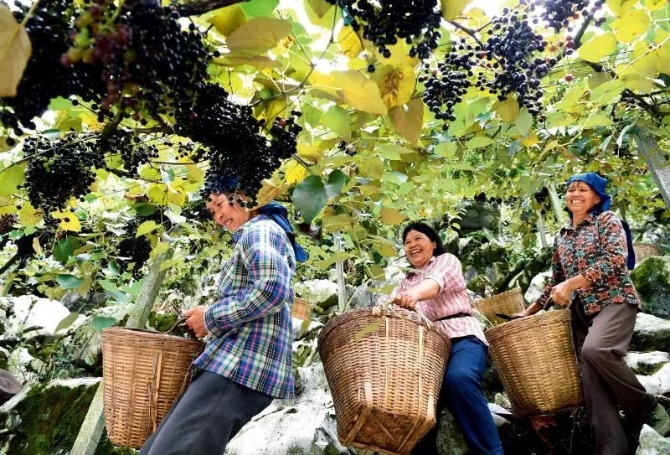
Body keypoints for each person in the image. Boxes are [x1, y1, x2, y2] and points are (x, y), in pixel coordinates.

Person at [140, 176, 308, 455]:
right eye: (212, 212)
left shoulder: (260, 230)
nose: (218, 217)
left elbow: (271, 290)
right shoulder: (257, 232)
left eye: (219, 205)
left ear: (244, 196)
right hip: (234, 366)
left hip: (240, 367)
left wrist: (209, 317)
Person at [514, 172, 669, 454]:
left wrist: (572, 283)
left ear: (597, 197)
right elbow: (556, 279)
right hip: (581, 312)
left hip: (614, 300)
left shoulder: (606, 221)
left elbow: (616, 259)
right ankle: (610, 448)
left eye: (583, 189)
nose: (575, 194)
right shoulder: (561, 236)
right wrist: (529, 311)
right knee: (592, 383)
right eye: (571, 189)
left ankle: (646, 407)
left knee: (596, 350)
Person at [392, 222, 504, 455]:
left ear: (433, 243)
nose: (412, 245)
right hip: (428, 352)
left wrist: (414, 295)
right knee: (415, 404)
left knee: (459, 378)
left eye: (418, 238)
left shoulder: (446, 261)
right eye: (407, 242)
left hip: (462, 336)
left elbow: (436, 282)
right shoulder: (404, 282)